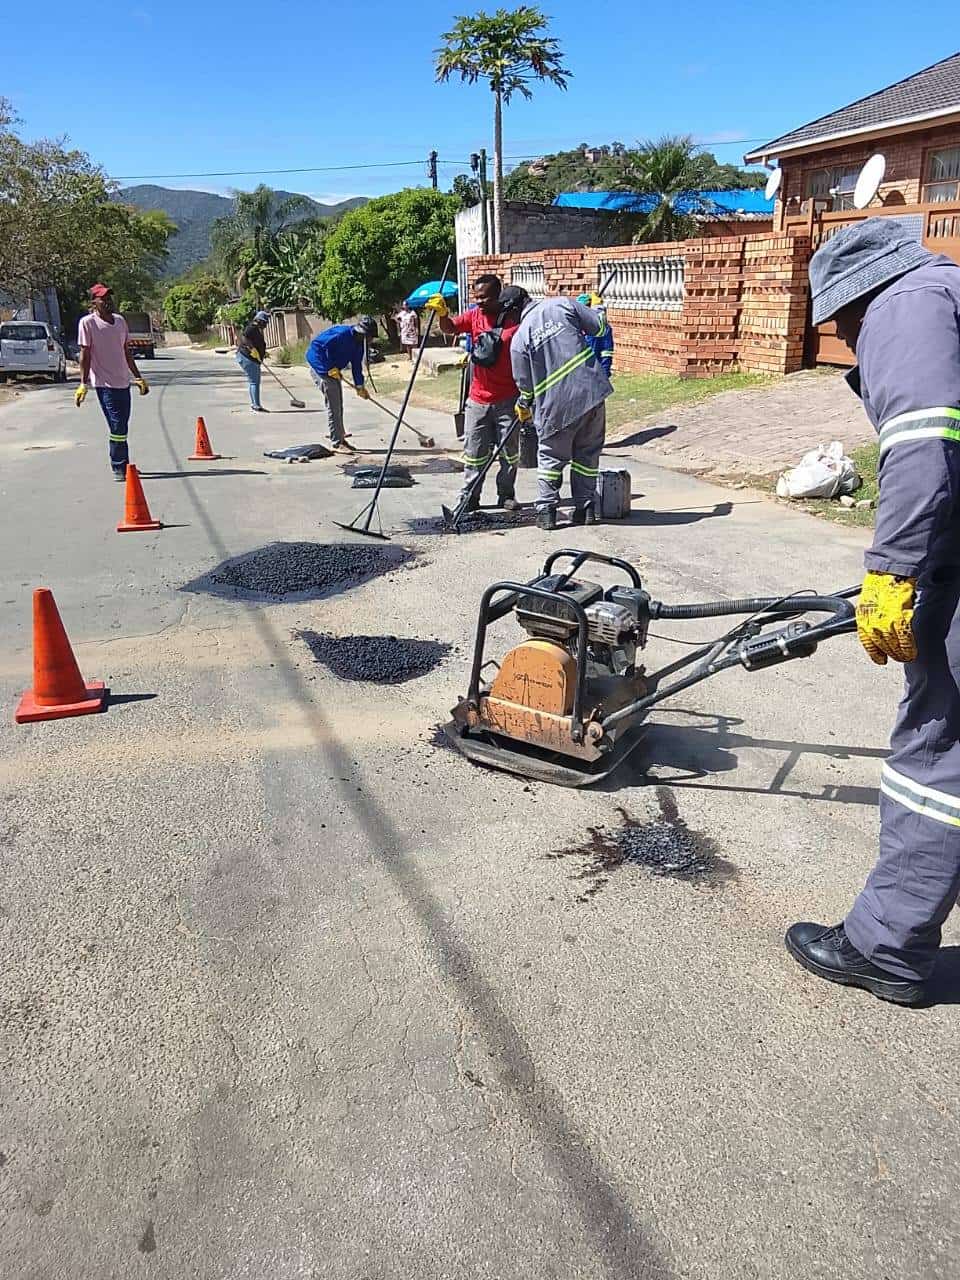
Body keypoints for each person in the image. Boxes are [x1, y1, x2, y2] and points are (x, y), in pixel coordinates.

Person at [786, 218, 960, 1007]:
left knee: (937, 749)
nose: (849, 342)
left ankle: (884, 948)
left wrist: (891, 571)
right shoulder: (946, 292)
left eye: (841, 325)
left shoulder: (906, 306)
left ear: (855, 299)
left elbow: (926, 442)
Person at [510, 293, 613, 530]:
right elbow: (599, 329)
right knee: (587, 455)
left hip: (555, 406)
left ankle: (546, 511)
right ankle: (586, 509)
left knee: (551, 457)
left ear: (514, 311)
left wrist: (524, 404)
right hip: (591, 393)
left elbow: (524, 383)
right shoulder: (562, 304)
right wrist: (599, 309)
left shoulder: (519, 339)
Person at [426, 275, 524, 512]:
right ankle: (470, 496)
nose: (479, 302)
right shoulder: (474, 315)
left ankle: (506, 494)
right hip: (478, 399)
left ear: (498, 296)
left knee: (509, 453)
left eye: (484, 298)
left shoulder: (515, 321)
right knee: (474, 453)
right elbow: (450, 328)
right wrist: (442, 314)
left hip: (508, 399)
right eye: (476, 297)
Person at [75, 283, 149, 481]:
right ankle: (119, 466)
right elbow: (85, 354)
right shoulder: (87, 323)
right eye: (103, 299)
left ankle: (124, 464)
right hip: (103, 384)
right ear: (94, 302)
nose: (108, 302)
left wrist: (138, 377)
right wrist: (83, 383)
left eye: (110, 298)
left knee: (122, 425)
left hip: (123, 382)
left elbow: (126, 352)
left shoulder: (120, 322)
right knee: (117, 426)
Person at [305, 316, 377, 453]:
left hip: (333, 370)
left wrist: (360, 386)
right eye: (369, 337)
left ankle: (340, 436)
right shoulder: (340, 334)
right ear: (362, 333)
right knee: (334, 405)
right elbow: (315, 348)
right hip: (320, 368)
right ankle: (337, 442)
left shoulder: (359, 345)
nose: (371, 340)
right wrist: (327, 367)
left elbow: (356, 365)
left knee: (338, 404)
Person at [236, 309, 271, 413]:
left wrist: (262, 352)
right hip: (248, 357)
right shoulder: (252, 327)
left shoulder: (256, 329)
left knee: (253, 382)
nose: (266, 324)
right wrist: (253, 349)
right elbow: (244, 338)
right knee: (254, 382)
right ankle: (256, 405)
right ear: (260, 321)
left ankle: (255, 404)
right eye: (265, 322)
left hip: (250, 358)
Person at [577, 293, 615, 377]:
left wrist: (605, 373)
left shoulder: (597, 327)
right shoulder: (582, 326)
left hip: (595, 371)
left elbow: (607, 352)